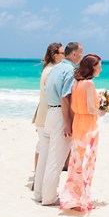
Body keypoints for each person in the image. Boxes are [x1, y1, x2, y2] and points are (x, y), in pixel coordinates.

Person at [33, 41, 83, 206]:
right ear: (74, 54)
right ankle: (48, 198)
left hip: (50, 114)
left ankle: (39, 194)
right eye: (80, 54)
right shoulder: (69, 70)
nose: (81, 57)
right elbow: (65, 97)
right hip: (60, 114)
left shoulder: (55, 68)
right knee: (56, 159)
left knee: (45, 158)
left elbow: (48, 92)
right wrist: (68, 122)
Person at [59, 53, 106, 212]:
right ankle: (82, 199)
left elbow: (74, 106)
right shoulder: (89, 84)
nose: (101, 68)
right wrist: (102, 111)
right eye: (99, 65)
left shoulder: (76, 83)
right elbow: (91, 108)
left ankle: (74, 195)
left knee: (77, 161)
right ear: (92, 67)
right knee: (87, 161)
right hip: (87, 124)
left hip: (79, 122)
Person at [31, 42, 63, 183]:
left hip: (42, 114)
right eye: (63, 53)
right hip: (46, 114)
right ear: (55, 55)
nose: (65, 55)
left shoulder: (49, 69)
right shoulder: (51, 71)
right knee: (45, 148)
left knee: (42, 147)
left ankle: (37, 178)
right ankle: (39, 180)